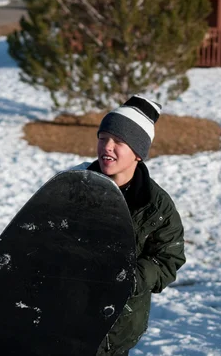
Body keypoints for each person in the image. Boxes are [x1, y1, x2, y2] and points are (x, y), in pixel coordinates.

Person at [77, 95, 186, 355]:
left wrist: (132, 279)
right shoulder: (75, 186)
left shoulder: (156, 207)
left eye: (119, 141)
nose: (107, 147)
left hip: (118, 326)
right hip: (68, 313)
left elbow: (169, 259)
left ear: (138, 152)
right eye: (102, 138)